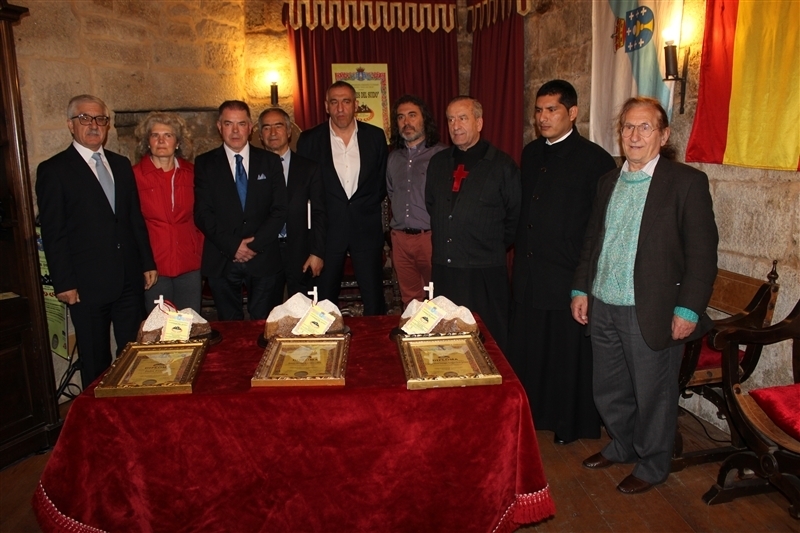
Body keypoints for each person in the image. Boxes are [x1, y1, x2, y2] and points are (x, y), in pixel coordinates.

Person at [571, 97, 718, 494]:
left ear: (664, 135)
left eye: (645, 127)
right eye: (627, 127)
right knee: (609, 389)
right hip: (604, 304)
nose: (634, 135)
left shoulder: (686, 183)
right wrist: (581, 288)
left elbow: (702, 255)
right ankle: (622, 445)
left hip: (650, 310)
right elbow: (592, 241)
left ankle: (653, 464)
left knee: (654, 395)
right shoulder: (608, 181)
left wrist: (688, 308)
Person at [508, 80, 617, 445]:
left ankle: (568, 423)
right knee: (533, 349)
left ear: (572, 113)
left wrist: (584, 282)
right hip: (530, 273)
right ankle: (534, 415)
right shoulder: (531, 153)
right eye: (538, 110)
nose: (543, 117)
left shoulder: (595, 160)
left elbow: (599, 226)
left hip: (567, 274)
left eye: (551, 110)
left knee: (565, 355)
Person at [36, 94, 157, 387]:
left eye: (100, 119)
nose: (93, 125)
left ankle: (130, 404)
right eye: (85, 118)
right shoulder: (54, 170)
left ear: (107, 125)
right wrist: (63, 283)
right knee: (95, 359)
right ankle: (97, 411)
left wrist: (147, 262)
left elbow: (133, 218)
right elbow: (54, 232)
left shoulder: (121, 164)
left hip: (128, 279)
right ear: (70, 124)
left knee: (133, 353)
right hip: (86, 286)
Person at [425, 96, 520, 351]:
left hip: (484, 273)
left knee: (488, 343)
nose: (455, 125)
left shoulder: (502, 166)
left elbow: (514, 217)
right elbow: (433, 205)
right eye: (450, 119)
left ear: (479, 122)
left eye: (462, 118)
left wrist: (484, 242)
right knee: (446, 343)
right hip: (445, 270)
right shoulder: (438, 163)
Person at [296, 81, 389, 315]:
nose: (340, 108)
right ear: (326, 106)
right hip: (327, 234)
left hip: (366, 230)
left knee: (374, 302)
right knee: (323, 306)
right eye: (334, 102)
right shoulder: (309, 140)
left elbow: (380, 184)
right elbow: (305, 189)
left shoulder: (375, 137)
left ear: (355, 105)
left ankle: (374, 340)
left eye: (346, 101)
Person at [194, 100, 287, 320]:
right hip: (222, 258)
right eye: (229, 124)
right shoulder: (205, 164)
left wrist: (253, 245)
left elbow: (280, 209)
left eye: (241, 124)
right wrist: (234, 246)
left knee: (264, 325)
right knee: (229, 328)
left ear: (250, 127)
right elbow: (203, 213)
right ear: (219, 127)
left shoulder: (270, 162)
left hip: (263, 257)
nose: (235, 131)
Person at [132, 112, 203, 314]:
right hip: (154, 266)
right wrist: (143, 263)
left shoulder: (193, 173)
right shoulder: (134, 176)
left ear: (178, 142)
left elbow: (203, 215)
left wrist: (198, 251)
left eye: (168, 135)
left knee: (190, 322)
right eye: (155, 135)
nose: (161, 141)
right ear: (147, 142)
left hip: (189, 263)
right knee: (159, 325)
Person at [257, 107, 326, 304]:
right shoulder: (251, 169)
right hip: (265, 253)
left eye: (278, 126)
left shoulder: (309, 168)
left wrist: (317, 252)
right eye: (266, 128)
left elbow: (320, 212)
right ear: (260, 135)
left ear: (288, 131)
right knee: (266, 312)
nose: (272, 132)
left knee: (304, 311)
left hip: (301, 251)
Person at [386, 95, 446, 307]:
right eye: (401, 117)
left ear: (424, 119)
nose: (406, 122)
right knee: (410, 302)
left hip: (430, 239)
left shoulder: (442, 155)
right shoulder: (393, 158)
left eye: (412, 115)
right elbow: (392, 193)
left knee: (439, 300)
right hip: (400, 240)